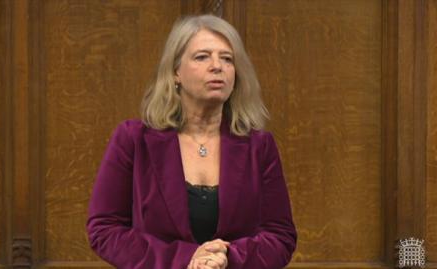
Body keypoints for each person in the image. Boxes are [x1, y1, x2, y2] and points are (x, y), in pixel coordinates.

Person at [87, 14, 297, 269]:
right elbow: (104, 229)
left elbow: (280, 236)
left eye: (227, 59)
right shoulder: (133, 139)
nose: (217, 66)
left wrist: (228, 258)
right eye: (202, 57)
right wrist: (187, 259)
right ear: (176, 72)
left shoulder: (259, 146)